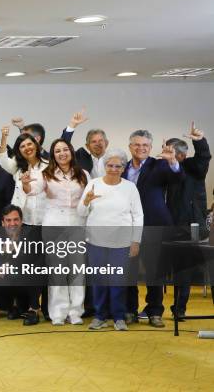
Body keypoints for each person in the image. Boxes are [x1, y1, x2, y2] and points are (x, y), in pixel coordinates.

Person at [25, 139, 90, 325]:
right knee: (57, 270)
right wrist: (26, 185)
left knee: (77, 270)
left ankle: (76, 312)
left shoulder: (83, 174)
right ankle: (58, 313)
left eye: (65, 149)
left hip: (77, 223)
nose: (62, 153)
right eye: (57, 151)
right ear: (53, 155)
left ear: (71, 151)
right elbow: (32, 190)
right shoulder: (45, 174)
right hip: (54, 223)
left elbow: (89, 199)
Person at [77, 148, 144, 331]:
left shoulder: (130, 187)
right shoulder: (93, 184)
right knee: (98, 280)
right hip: (95, 242)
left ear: (123, 168)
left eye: (118, 166)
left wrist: (135, 241)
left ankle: (119, 317)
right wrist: (86, 201)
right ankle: (99, 316)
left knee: (117, 281)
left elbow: (138, 216)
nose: (113, 169)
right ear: (104, 166)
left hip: (121, 243)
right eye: (110, 165)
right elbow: (80, 213)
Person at [123, 129, 183, 328]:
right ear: (130, 146)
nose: (141, 148)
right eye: (137, 145)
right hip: (128, 227)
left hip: (154, 224)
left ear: (150, 148)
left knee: (154, 271)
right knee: (129, 271)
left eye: (145, 145)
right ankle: (130, 310)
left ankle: (155, 311)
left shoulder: (159, 165)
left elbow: (176, 179)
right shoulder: (121, 168)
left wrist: (173, 162)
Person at [166, 123, 211, 319]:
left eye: (170, 151)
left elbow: (203, 158)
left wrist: (200, 141)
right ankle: (154, 309)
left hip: (189, 226)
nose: (166, 154)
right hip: (165, 225)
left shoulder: (193, 168)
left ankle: (179, 309)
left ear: (181, 155)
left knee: (184, 270)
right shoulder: (161, 168)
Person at [0, 205, 43, 325]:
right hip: (12, 276)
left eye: (16, 219)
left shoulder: (31, 234)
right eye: (8, 220)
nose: (12, 223)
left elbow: (30, 257)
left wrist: (10, 260)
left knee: (35, 267)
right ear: (3, 222)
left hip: (32, 272)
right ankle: (16, 306)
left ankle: (33, 309)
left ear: (21, 220)